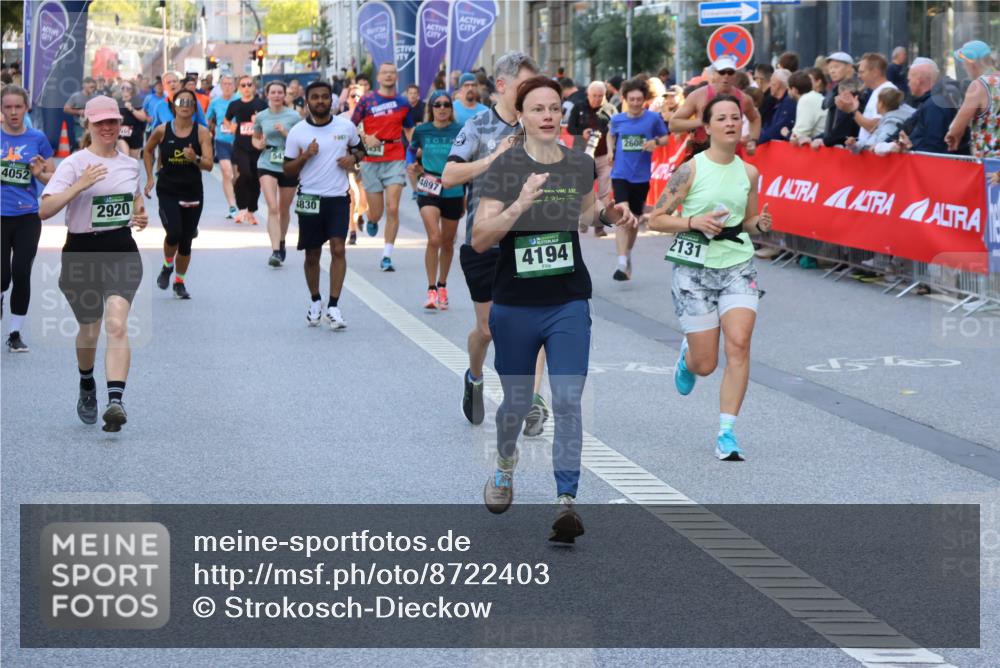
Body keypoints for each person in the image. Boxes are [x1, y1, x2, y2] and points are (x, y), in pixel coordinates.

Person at [475, 75, 636, 542]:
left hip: (567, 299)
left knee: (566, 399)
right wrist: (519, 204)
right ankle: (505, 466)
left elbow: (586, 214)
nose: (548, 115)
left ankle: (566, 500)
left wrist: (608, 215)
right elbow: (481, 238)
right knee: (518, 402)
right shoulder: (504, 169)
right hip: (515, 303)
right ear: (521, 116)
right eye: (538, 108)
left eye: (553, 108)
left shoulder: (576, 165)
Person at [648, 94, 773, 461]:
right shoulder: (690, 170)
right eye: (723, 118)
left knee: (739, 342)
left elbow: (747, 223)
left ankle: (727, 432)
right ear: (708, 127)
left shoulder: (749, 172)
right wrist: (692, 222)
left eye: (736, 117)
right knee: (706, 365)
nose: (732, 123)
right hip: (694, 269)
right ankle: (689, 356)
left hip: (737, 265)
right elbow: (655, 218)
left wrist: (759, 224)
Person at [441, 51, 548, 430]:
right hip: (484, 241)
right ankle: (473, 376)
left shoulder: (539, 123)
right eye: (524, 86)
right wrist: (492, 160)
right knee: (489, 330)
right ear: (502, 86)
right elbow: (449, 176)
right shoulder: (478, 127)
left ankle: (532, 402)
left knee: (535, 325)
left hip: (528, 240)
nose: (532, 94)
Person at [39, 96, 149, 432]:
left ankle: (116, 400)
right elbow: (45, 210)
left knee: (116, 323)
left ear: (119, 125)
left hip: (121, 250)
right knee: (90, 328)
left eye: (112, 122)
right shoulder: (74, 163)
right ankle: (87, 383)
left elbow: (134, 201)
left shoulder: (130, 164)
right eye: (100, 122)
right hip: (81, 251)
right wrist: (80, 185)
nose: (107, 128)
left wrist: (139, 216)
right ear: (88, 124)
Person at [284, 80, 365, 330]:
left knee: (339, 248)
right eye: (315, 97)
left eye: (325, 97)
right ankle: (315, 300)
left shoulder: (346, 126)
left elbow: (361, 150)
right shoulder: (297, 132)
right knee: (312, 254)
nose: (320, 101)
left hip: (338, 197)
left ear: (332, 100)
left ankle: (333, 305)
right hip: (309, 198)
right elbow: (287, 170)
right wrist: (306, 156)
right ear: (307, 101)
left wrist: (353, 158)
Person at [144, 89, 213, 300]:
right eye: (181, 101)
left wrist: (195, 158)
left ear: (194, 107)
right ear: (174, 106)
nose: (185, 105)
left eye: (189, 102)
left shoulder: (201, 132)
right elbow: (147, 151)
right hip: (168, 190)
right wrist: (149, 177)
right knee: (173, 232)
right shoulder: (162, 130)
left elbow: (209, 165)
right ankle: (167, 266)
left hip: (192, 191)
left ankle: (179, 282)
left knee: (185, 241)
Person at [2, 84, 55, 352]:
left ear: (26, 108)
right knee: (2, 276)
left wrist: (38, 174)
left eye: (18, 107)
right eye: (8, 107)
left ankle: (14, 333)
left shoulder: (37, 139)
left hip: (26, 217)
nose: (13, 112)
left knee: (22, 273)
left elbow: (52, 176)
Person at [351, 62, 416, 272]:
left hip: (395, 156)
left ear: (396, 77)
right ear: (378, 78)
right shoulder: (367, 101)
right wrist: (365, 137)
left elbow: (409, 130)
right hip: (371, 161)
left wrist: (417, 153)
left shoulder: (403, 102)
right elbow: (351, 125)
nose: (388, 76)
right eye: (384, 72)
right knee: (377, 213)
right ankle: (371, 217)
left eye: (392, 73)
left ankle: (387, 255)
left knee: (393, 208)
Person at [607, 78, 670, 281]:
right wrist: (610, 151)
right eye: (631, 99)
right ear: (624, 99)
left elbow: (666, 137)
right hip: (620, 174)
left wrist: (655, 142)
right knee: (622, 217)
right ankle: (621, 262)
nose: (635, 103)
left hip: (641, 177)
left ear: (644, 100)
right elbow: (610, 134)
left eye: (639, 99)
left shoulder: (652, 119)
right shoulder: (618, 120)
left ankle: (627, 255)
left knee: (633, 221)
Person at [408, 90, 464, 310]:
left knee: (448, 242)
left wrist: (466, 189)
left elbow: (467, 158)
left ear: (451, 108)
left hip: (453, 188)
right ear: (430, 108)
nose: (442, 108)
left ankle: (442, 286)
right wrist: (413, 164)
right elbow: (411, 150)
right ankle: (431, 289)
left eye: (446, 105)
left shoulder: (460, 131)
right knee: (434, 238)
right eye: (437, 105)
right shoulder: (422, 130)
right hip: (429, 185)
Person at [669, 56, 761, 156]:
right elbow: (673, 124)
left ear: (735, 75)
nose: (726, 76)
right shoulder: (698, 95)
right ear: (714, 74)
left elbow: (755, 118)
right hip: (703, 154)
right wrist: (702, 121)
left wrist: (753, 140)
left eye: (730, 72)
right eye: (721, 72)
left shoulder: (744, 99)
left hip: (732, 156)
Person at [252, 81, 301, 267]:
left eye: (280, 92)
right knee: (272, 207)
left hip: (288, 163)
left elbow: (301, 141)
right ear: (267, 95)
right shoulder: (261, 117)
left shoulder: (294, 116)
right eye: (273, 92)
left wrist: (286, 132)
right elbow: (255, 139)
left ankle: (281, 241)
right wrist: (260, 145)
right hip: (267, 162)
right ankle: (275, 251)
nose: (277, 95)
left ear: (284, 95)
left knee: (283, 209)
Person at [567, 81, 615, 237]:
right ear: (588, 94)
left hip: (603, 156)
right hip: (583, 155)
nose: (597, 99)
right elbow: (570, 128)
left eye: (601, 96)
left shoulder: (610, 110)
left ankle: (599, 225)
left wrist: (612, 151)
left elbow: (616, 131)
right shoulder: (579, 108)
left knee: (604, 193)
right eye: (594, 95)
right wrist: (582, 133)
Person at [892, 58, 965, 155]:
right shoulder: (932, 102)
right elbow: (908, 127)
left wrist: (910, 147)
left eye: (909, 80)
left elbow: (934, 149)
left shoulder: (934, 105)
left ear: (918, 81)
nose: (908, 84)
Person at [945, 40, 999, 158]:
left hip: (990, 164)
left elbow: (956, 127)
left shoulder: (979, 85)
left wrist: (953, 136)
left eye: (964, 62)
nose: (964, 66)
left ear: (971, 62)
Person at [225, 75, 267, 224]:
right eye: (243, 85)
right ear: (239, 88)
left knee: (255, 179)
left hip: (257, 146)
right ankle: (242, 207)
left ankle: (251, 211)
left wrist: (259, 122)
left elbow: (268, 121)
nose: (246, 88)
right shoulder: (234, 104)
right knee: (245, 175)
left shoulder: (261, 104)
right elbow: (226, 119)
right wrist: (231, 127)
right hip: (241, 146)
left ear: (254, 87)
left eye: (249, 84)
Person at [843, 52, 896, 146]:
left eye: (862, 72)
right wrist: (856, 143)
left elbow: (875, 126)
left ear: (875, 73)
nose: (859, 76)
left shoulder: (887, 90)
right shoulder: (876, 91)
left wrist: (853, 111)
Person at [206, 74, 239, 219]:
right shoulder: (215, 102)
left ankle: (237, 196)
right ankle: (232, 206)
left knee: (237, 176)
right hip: (221, 141)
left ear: (234, 86)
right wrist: (205, 133)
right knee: (227, 172)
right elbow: (208, 120)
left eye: (230, 84)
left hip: (239, 143)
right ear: (220, 86)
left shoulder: (240, 100)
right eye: (224, 84)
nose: (227, 86)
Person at [339, 84, 368, 245]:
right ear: (348, 99)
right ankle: (352, 231)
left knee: (363, 200)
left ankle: (360, 215)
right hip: (348, 160)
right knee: (352, 194)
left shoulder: (370, 116)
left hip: (367, 161)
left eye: (359, 96)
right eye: (353, 96)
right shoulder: (342, 118)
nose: (356, 99)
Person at [847, 87, 913, 154]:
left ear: (881, 104)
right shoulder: (886, 120)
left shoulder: (891, 123)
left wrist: (858, 146)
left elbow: (878, 145)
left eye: (877, 101)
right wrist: (855, 145)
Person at [758, 69, 796, 143]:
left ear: (778, 84)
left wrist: (758, 138)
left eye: (771, 82)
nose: (769, 85)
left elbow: (778, 128)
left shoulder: (788, 103)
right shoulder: (777, 102)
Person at [789, 70, 826, 144]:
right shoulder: (814, 97)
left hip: (821, 150)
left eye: (788, 88)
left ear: (794, 90)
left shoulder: (806, 100)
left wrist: (788, 135)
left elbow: (799, 135)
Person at [63, 77, 98, 150]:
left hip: (92, 125)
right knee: (81, 143)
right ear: (84, 85)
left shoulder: (95, 97)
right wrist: (78, 112)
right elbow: (66, 109)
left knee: (91, 144)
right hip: (79, 125)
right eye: (91, 87)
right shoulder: (76, 96)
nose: (93, 89)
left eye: (94, 87)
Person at [115, 81, 146, 159]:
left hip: (135, 134)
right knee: (125, 157)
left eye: (128, 88)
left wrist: (131, 109)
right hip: (121, 135)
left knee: (132, 162)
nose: (125, 90)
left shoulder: (137, 101)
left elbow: (143, 118)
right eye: (123, 88)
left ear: (132, 90)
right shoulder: (117, 102)